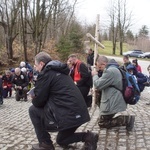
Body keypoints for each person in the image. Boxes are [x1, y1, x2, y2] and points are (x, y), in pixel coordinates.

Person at [29, 52, 98, 150]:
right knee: (61, 140)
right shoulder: (61, 71)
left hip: (69, 114)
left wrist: (34, 97)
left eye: (36, 65)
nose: (35, 68)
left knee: (33, 110)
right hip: (79, 112)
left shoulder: (46, 74)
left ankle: (45, 144)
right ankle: (88, 137)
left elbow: (39, 102)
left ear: (41, 64)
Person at [92, 55, 135, 131]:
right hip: (115, 99)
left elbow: (98, 85)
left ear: (103, 64)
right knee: (103, 119)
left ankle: (127, 119)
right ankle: (126, 119)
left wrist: (95, 75)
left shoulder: (110, 71)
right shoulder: (114, 69)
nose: (99, 69)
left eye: (100, 67)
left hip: (112, 101)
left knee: (102, 123)